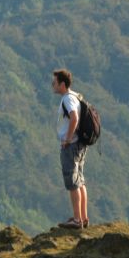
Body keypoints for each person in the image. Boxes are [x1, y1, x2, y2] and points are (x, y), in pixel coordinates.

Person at [51, 69, 89, 230]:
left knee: (72, 182)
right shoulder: (75, 96)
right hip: (79, 144)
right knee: (79, 181)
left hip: (71, 145)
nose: (52, 85)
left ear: (62, 84)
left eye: (54, 83)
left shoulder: (68, 99)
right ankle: (83, 217)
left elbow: (74, 117)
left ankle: (77, 219)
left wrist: (67, 138)